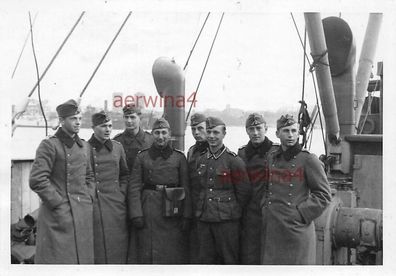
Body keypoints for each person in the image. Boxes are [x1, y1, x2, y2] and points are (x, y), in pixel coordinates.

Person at [29, 99, 95, 264]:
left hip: (82, 213)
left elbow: (89, 176)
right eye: (73, 118)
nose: (78, 122)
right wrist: (58, 203)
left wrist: (89, 198)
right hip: (57, 216)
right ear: (61, 121)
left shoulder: (84, 147)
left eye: (79, 118)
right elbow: (37, 179)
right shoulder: (49, 145)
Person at [260, 114, 331, 264]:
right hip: (273, 227)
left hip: (296, 230)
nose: (290, 135)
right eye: (286, 131)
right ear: (277, 134)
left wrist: (300, 214)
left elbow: (323, 195)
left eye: (293, 130)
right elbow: (267, 186)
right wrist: (265, 207)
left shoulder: (309, 159)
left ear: (298, 132)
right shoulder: (272, 157)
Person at [128, 118, 191, 264]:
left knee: (171, 251)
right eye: (157, 133)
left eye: (164, 132)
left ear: (169, 134)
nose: (160, 136)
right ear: (152, 134)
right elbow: (134, 187)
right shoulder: (142, 157)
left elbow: (186, 187)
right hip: (149, 208)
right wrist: (136, 214)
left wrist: (187, 215)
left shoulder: (179, 157)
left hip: (173, 207)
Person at [194, 116, 251, 264]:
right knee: (205, 259)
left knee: (229, 259)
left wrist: (232, 210)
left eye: (216, 133)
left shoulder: (234, 161)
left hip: (227, 220)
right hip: (204, 218)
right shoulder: (201, 159)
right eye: (209, 132)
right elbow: (198, 187)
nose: (212, 136)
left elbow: (244, 192)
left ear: (224, 134)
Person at [113, 104, 153, 263]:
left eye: (133, 117)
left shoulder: (150, 140)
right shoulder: (117, 142)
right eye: (126, 117)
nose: (129, 121)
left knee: (143, 234)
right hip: (123, 194)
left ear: (140, 118)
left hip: (144, 195)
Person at [88, 111, 130, 264]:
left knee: (117, 247)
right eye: (103, 126)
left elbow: (125, 175)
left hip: (116, 205)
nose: (107, 129)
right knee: (97, 248)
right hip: (95, 206)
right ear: (93, 128)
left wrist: (121, 193)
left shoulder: (118, 147)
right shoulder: (85, 148)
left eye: (110, 126)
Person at [238, 113, 277, 265]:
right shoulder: (242, 153)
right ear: (247, 131)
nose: (255, 133)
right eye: (251, 129)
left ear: (266, 129)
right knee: (250, 251)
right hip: (250, 210)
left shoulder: (276, 152)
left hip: (271, 208)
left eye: (258, 128)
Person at [186, 112, 208, 263]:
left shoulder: (215, 150)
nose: (196, 133)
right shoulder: (192, 151)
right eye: (193, 129)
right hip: (194, 205)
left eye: (200, 128)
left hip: (210, 207)